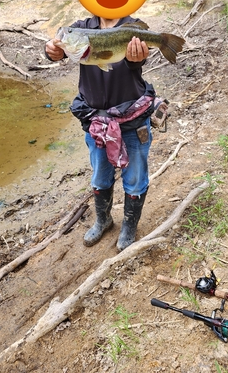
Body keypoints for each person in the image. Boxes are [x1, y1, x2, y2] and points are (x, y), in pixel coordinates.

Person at [45, 14, 156, 251]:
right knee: (99, 176)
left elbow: (136, 65)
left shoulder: (132, 27)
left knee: (135, 178)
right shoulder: (81, 28)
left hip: (133, 121)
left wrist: (137, 58)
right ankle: (103, 219)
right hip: (96, 122)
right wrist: (53, 51)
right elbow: (62, 49)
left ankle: (129, 226)